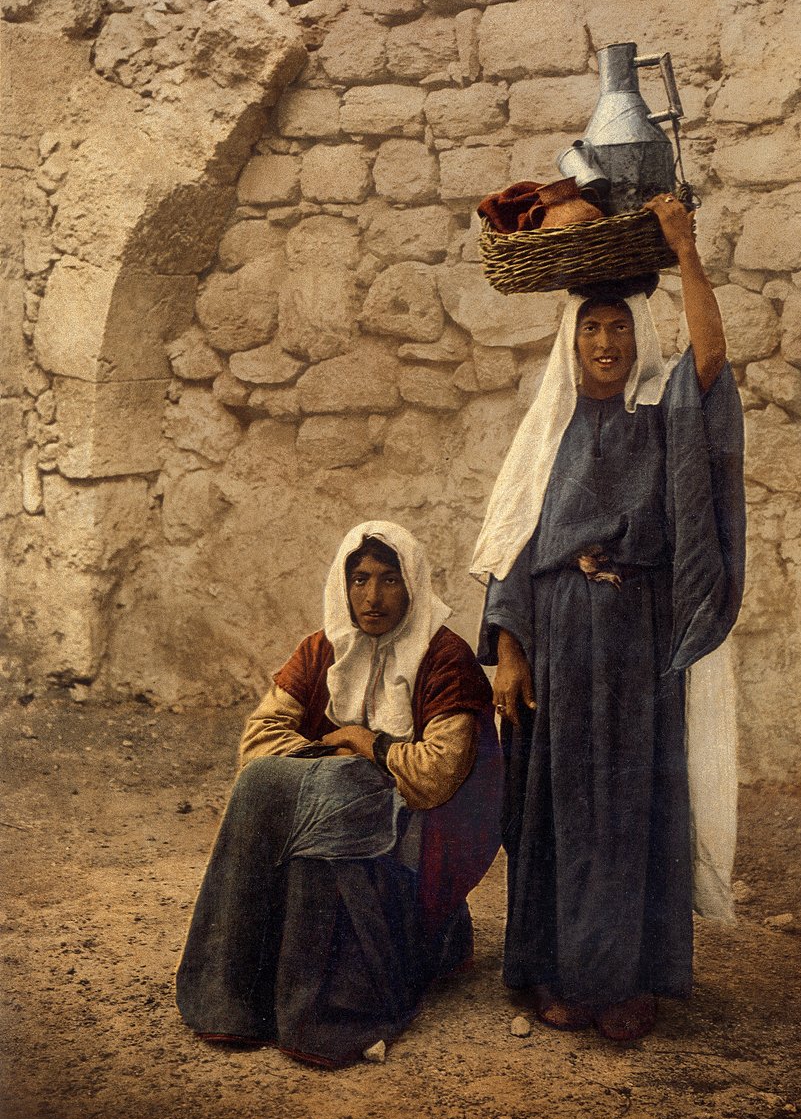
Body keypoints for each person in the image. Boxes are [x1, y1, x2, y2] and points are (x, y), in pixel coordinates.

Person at [471, 194, 745, 1041]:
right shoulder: (547, 431)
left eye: (618, 328)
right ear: (570, 340)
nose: (604, 344)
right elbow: (514, 537)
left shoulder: (663, 416)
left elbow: (711, 360)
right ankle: (561, 976)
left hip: (637, 645)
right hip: (559, 645)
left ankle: (628, 982)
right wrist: (510, 651)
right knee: (560, 812)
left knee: (634, 810)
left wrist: (683, 251)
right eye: (590, 328)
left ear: (636, 336)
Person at [176, 521, 501, 1067]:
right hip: (337, 794)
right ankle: (232, 996)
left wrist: (364, 743)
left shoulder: (445, 656)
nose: (372, 597)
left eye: (390, 579)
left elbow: (439, 772)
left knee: (333, 790)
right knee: (263, 782)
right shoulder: (322, 648)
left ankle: (324, 1011)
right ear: (343, 585)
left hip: (423, 820)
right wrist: (343, 759)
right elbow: (258, 741)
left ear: (414, 584)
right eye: (359, 580)